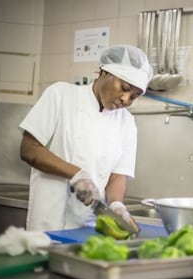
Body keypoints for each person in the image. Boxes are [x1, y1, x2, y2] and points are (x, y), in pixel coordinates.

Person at [19, 44, 153, 231]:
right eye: (124, 88)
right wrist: (77, 175)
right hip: (47, 221)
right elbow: (29, 150)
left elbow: (117, 176)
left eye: (134, 96)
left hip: (87, 225)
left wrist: (116, 205)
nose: (126, 99)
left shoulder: (127, 123)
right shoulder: (61, 95)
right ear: (105, 73)